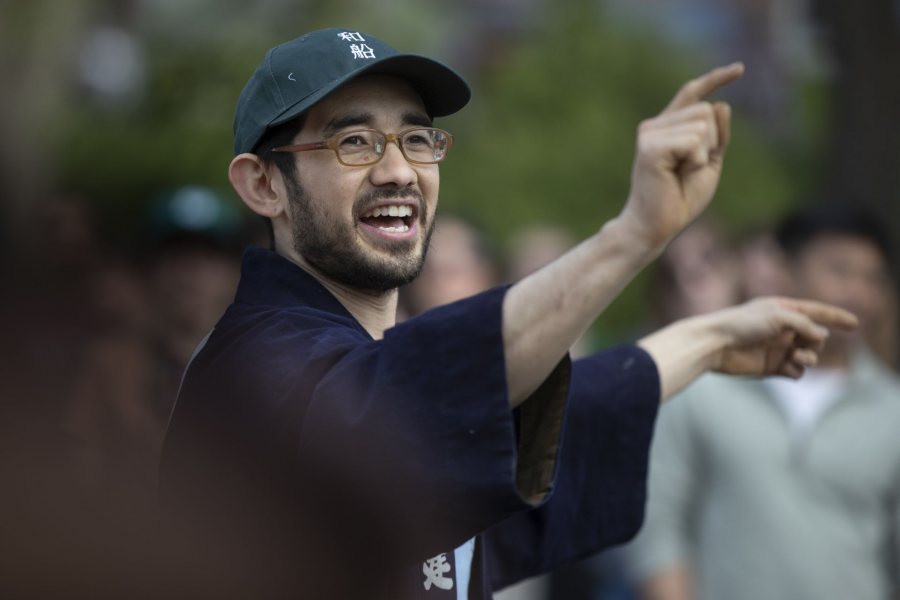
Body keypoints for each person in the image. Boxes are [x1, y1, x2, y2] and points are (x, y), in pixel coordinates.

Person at [159, 28, 856, 599]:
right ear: (262, 184)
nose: (399, 170)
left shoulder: (382, 372)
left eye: (417, 139)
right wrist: (632, 236)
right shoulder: (251, 369)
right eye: (354, 142)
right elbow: (420, 403)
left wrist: (705, 341)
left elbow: (525, 423)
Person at [622, 203, 900, 600]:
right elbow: (657, 523)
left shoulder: (892, 409)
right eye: (839, 271)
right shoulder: (707, 386)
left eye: (873, 279)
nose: (858, 292)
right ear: (785, 270)